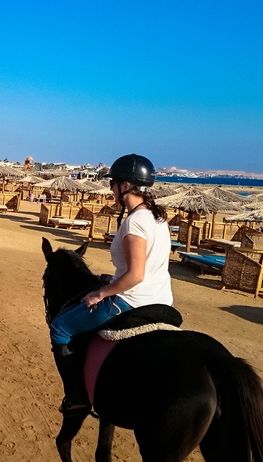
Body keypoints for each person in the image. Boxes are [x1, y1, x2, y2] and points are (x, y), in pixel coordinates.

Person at [49, 154, 173, 413]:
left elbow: (136, 275)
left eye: (112, 184)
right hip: (162, 299)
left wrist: (101, 293)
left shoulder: (135, 222)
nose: (110, 189)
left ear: (125, 186)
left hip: (132, 300)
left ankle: (76, 396)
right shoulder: (157, 218)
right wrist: (112, 278)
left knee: (60, 327)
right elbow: (144, 268)